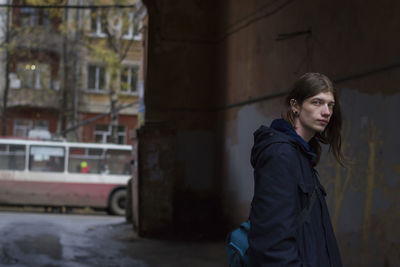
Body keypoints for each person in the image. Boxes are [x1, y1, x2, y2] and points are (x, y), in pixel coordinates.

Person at [248, 73, 344, 266]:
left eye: (330, 105)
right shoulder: (281, 155)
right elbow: (273, 242)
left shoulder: (301, 153)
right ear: (295, 105)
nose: (326, 112)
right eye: (317, 102)